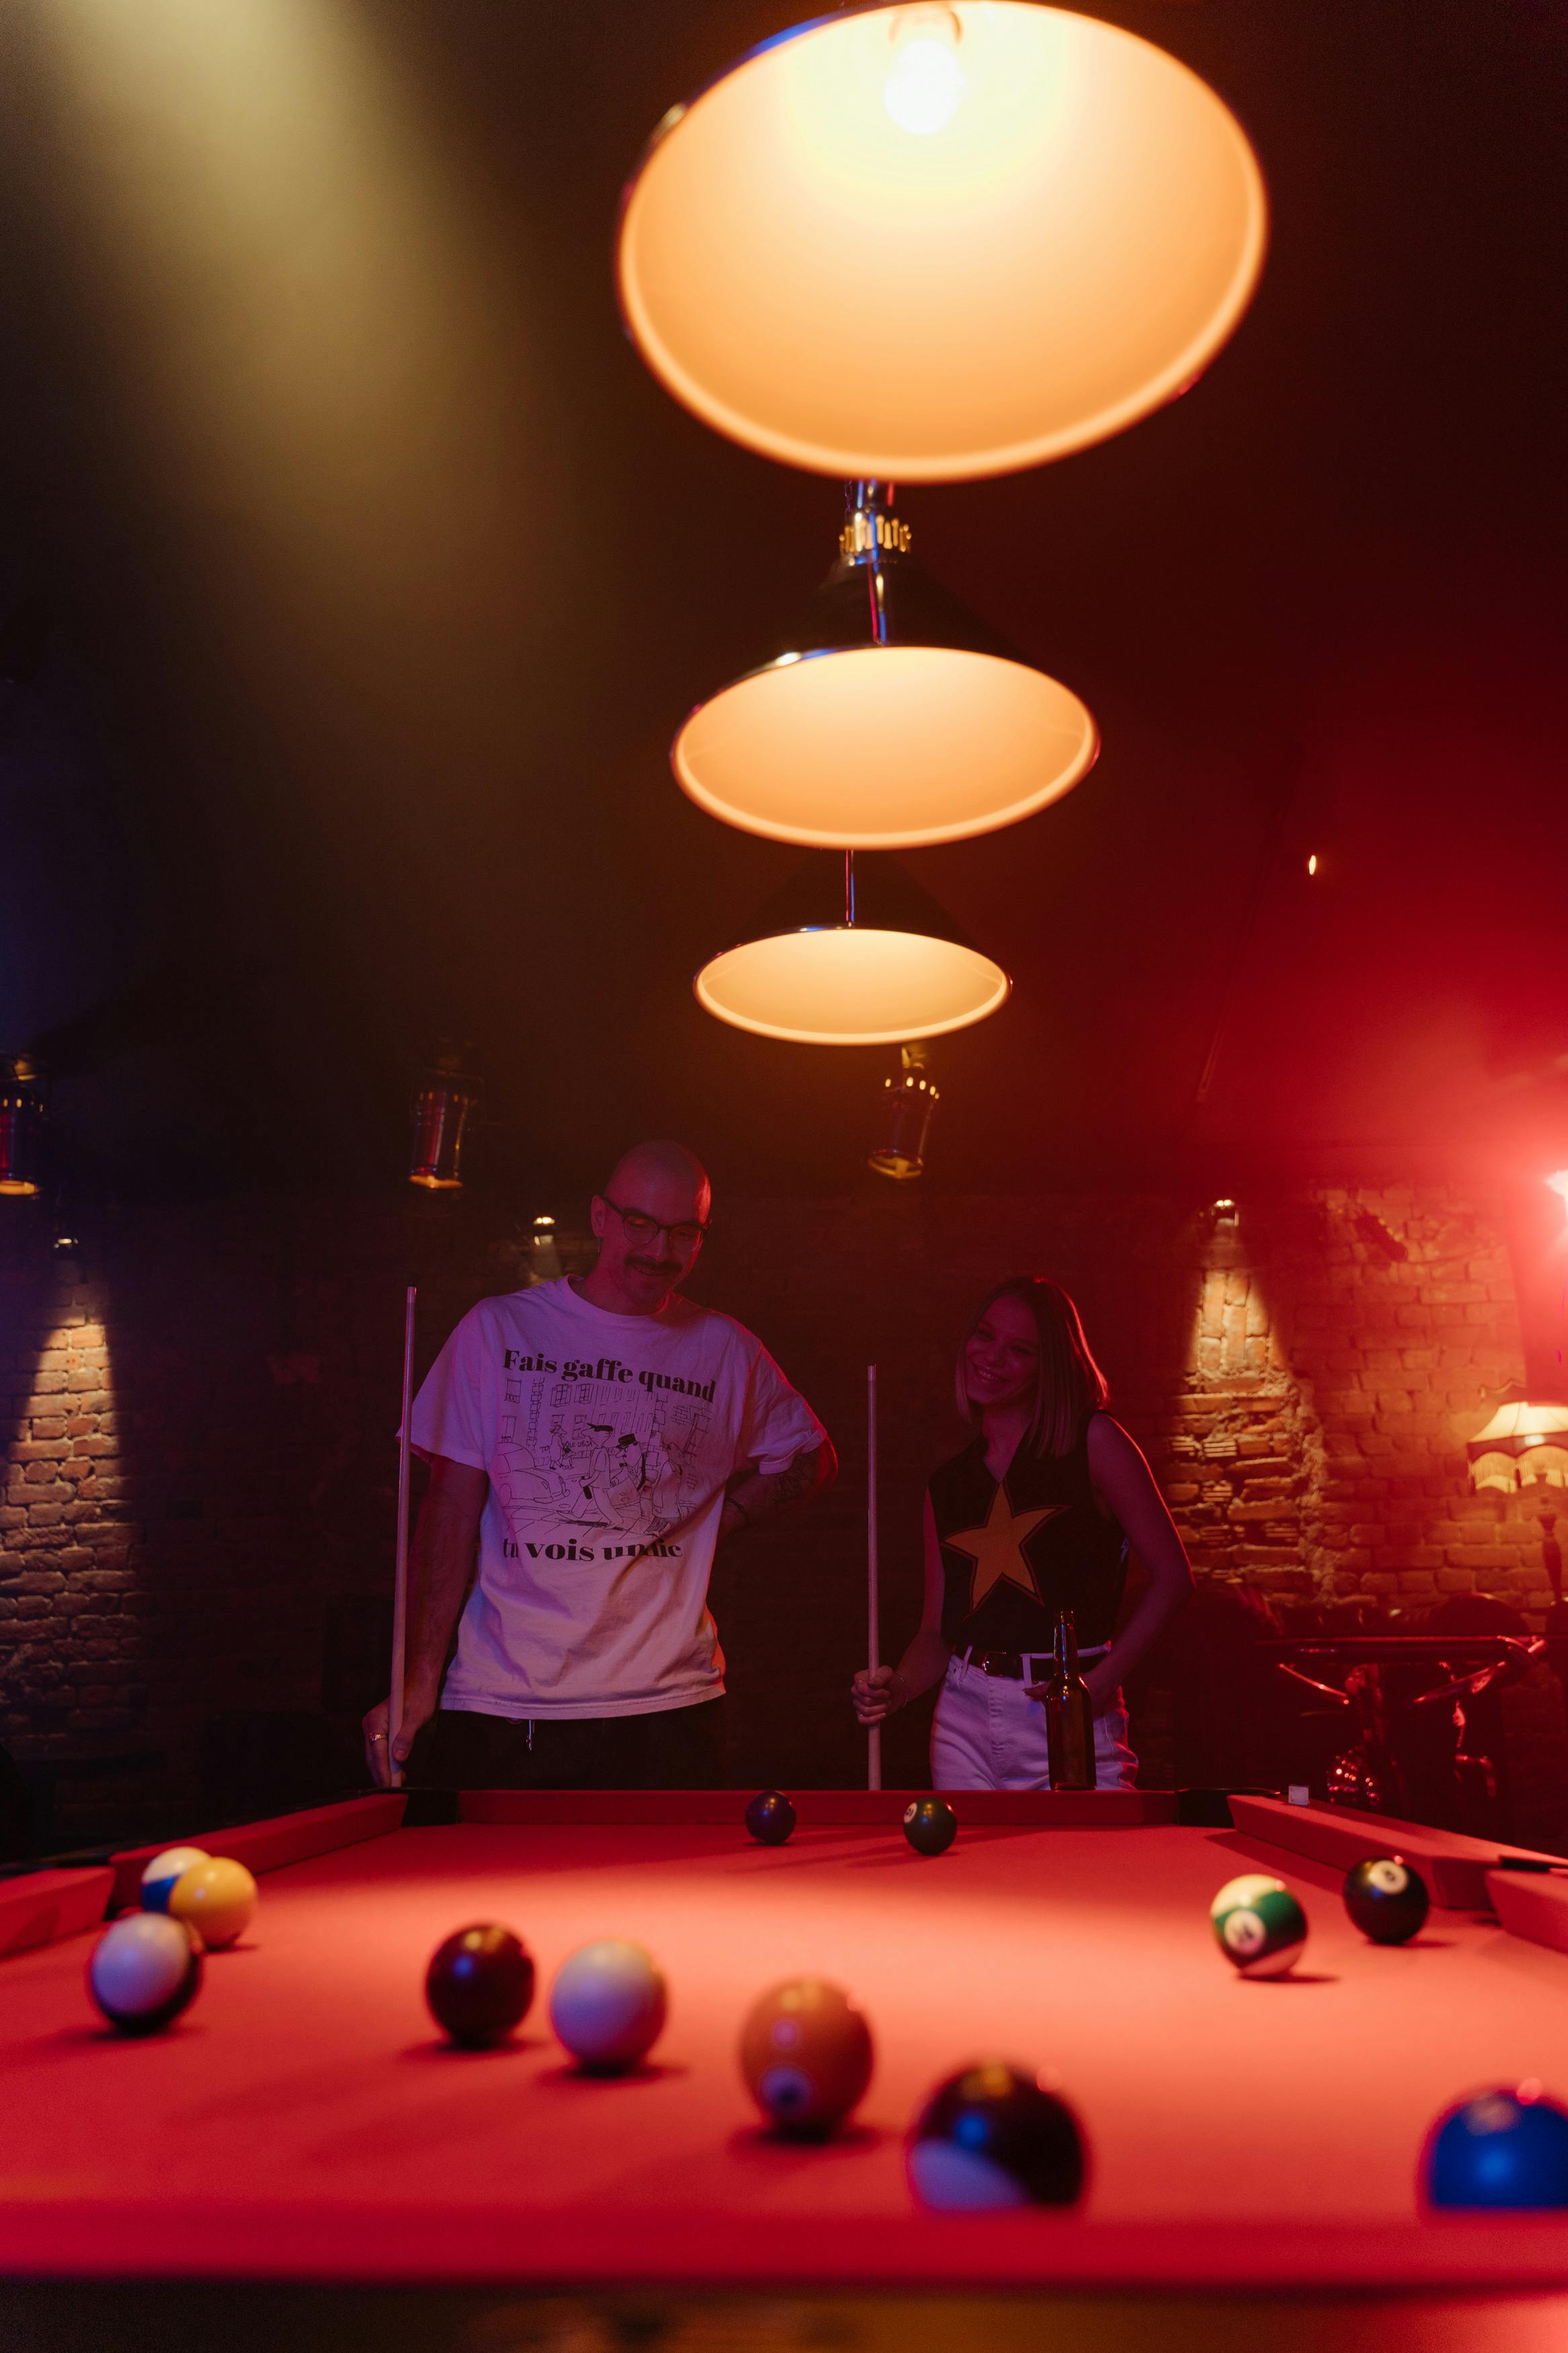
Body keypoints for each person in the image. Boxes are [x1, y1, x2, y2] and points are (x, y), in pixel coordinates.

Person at [364, 1140, 835, 1790]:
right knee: (507, 1894)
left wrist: (722, 1520)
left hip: (671, 1706)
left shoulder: (725, 1348)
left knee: (668, 1894)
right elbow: (447, 1511)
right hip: (509, 1701)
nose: (658, 1250)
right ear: (600, 1217)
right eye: (640, 1224)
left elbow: (811, 1455)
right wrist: (415, 1681)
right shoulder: (498, 1330)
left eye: (682, 1233)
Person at [851, 1275, 1191, 1790]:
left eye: (1020, 1350)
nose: (991, 1357)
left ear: (1049, 1365)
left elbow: (1173, 1577)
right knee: (973, 1870)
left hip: (1064, 1706)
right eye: (984, 1335)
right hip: (961, 1720)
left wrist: (1102, 1683)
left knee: (1085, 1869)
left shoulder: (1095, 1441)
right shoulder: (948, 1483)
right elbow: (936, 1632)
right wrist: (896, 1689)